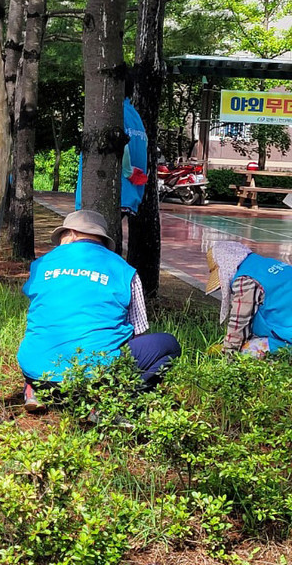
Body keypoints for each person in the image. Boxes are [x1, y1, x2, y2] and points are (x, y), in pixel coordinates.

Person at [17, 210, 181, 413]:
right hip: (93, 375)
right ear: (102, 240)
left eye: (61, 237)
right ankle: (109, 400)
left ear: (72, 233)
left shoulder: (41, 264)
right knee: (169, 345)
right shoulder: (124, 270)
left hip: (35, 370)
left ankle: (32, 389)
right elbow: (139, 332)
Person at [206, 241, 292, 357]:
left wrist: (228, 353)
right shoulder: (265, 264)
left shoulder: (244, 280)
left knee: (248, 349)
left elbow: (239, 322)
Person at [75, 93, 149, 215]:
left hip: (109, 192)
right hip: (130, 195)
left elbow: (120, 141)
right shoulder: (135, 116)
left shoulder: (111, 111)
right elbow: (144, 144)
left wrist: (127, 171)